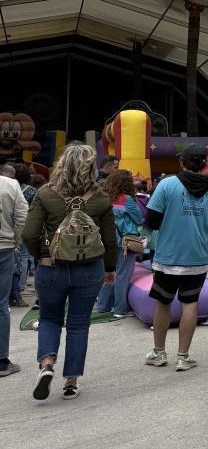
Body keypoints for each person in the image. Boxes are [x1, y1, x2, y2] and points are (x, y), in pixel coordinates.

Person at [23, 143, 119, 401]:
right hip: (89, 269)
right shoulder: (100, 198)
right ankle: (71, 382)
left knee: (50, 317)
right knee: (78, 323)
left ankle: (46, 364)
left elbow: (30, 234)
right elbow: (110, 240)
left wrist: (42, 254)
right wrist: (110, 268)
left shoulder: (45, 194)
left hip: (51, 268)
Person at [144, 144, 208, 372]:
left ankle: (159, 352)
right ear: (204, 163)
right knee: (190, 304)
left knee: (163, 303)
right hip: (197, 256)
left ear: (182, 162)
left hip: (168, 256)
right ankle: (183, 356)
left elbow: (152, 221)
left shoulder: (167, 185)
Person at [93, 169, 142, 319]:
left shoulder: (102, 197)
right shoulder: (126, 199)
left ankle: (102, 306)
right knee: (122, 275)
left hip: (105, 240)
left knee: (107, 273)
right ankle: (120, 309)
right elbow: (139, 218)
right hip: (124, 242)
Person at [0, 166, 28, 377]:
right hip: (3, 246)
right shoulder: (10, 185)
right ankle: (1, 360)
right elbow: (23, 216)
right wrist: (15, 240)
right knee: (1, 304)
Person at [11, 162, 36, 308]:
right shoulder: (32, 191)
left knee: (15, 258)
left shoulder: (8, 188)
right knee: (25, 257)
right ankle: (21, 286)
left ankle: (15, 290)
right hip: (26, 225)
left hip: (9, 226)